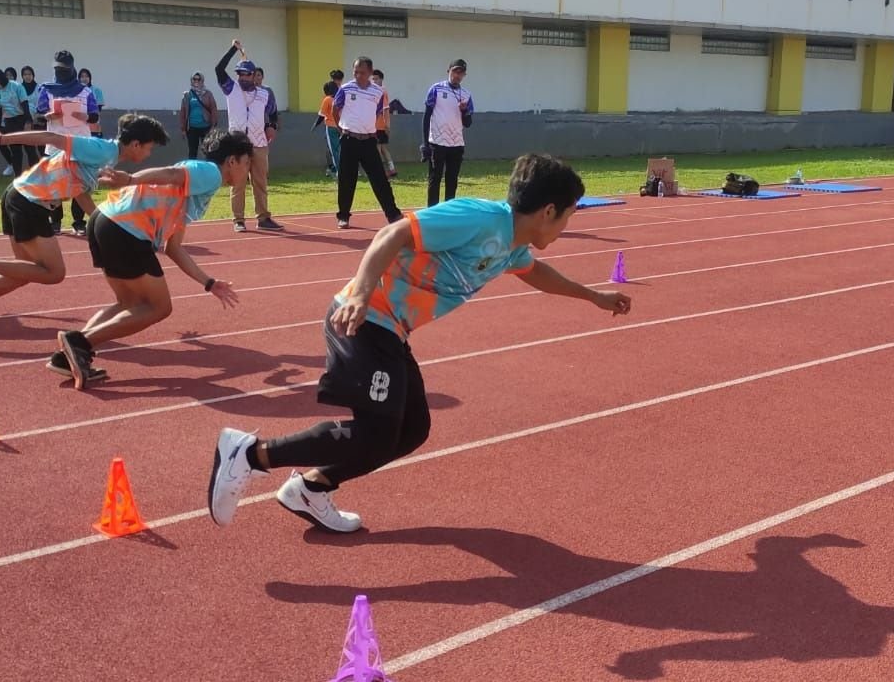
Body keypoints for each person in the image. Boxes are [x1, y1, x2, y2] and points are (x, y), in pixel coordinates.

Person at [207, 153, 632, 532]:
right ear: (548, 210)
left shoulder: (512, 246)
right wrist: (358, 293)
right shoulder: (480, 219)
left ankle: (311, 487)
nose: (568, 226)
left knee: (412, 430)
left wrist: (594, 296)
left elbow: (536, 272)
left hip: (392, 331)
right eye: (569, 216)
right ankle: (250, 454)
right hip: (362, 317)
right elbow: (390, 236)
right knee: (376, 432)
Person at [0, 114, 167, 336]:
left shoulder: (107, 157)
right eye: (149, 147)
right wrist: (0, 139)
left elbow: (80, 192)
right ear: (136, 144)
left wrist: (105, 226)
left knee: (23, 271)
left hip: (20, 196)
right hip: (30, 201)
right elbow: (52, 138)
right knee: (53, 273)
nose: (149, 153)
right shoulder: (102, 149)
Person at [53, 130, 248, 389]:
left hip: (105, 221)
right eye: (247, 163)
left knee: (130, 302)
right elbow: (171, 173)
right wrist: (130, 178)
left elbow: (173, 247)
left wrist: (209, 283)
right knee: (159, 307)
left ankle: (68, 356)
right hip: (126, 228)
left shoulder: (193, 191)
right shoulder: (210, 173)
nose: (248, 170)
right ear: (232, 161)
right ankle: (79, 344)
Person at [213, 39, 282, 232]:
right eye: (240, 74)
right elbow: (219, 69)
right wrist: (233, 50)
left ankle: (263, 218)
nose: (242, 77)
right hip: (237, 144)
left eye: (246, 74)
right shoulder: (231, 88)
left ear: (254, 75)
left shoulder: (264, 94)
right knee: (238, 183)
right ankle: (238, 220)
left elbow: (273, 112)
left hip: (259, 144)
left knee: (260, 182)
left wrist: (272, 126)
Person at [332, 56, 401, 230]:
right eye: (355, 72)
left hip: (369, 140)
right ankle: (343, 216)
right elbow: (335, 109)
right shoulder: (346, 89)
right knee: (347, 179)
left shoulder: (378, 92)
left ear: (370, 72)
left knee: (380, 179)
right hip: (349, 139)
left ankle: (393, 214)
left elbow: (378, 111)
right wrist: (342, 129)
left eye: (362, 72)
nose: (358, 75)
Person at [37, 50, 99, 235]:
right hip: (56, 143)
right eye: (58, 69)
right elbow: (38, 115)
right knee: (55, 183)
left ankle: (79, 222)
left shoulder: (85, 91)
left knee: (78, 183)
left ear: (72, 69)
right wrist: (49, 115)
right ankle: (55, 221)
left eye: (64, 69)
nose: (61, 72)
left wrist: (85, 115)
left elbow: (95, 115)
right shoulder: (46, 89)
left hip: (80, 142)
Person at [424, 59, 474, 207]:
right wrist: (425, 143)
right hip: (437, 143)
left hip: (456, 144)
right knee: (435, 179)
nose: (457, 75)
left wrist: (464, 110)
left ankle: (449, 211)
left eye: (461, 73)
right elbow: (426, 116)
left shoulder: (466, 95)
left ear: (464, 75)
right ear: (449, 71)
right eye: (455, 71)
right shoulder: (436, 89)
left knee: (452, 180)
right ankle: (432, 212)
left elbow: (468, 123)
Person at [0, 67, 37, 176]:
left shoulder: (16, 86)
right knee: (16, 151)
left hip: (22, 119)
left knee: (30, 150)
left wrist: (28, 122)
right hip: (10, 122)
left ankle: (36, 176)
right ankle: (17, 178)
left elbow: (25, 105)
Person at [180, 71, 218, 160]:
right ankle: (191, 171)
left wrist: (213, 126)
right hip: (192, 127)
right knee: (192, 152)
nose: (196, 81)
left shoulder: (208, 93)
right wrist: (183, 129)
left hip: (206, 127)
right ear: (191, 80)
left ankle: (207, 170)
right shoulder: (187, 94)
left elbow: (213, 109)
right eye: (194, 79)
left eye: (199, 79)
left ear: (202, 80)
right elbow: (183, 112)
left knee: (208, 151)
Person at [371, 68, 397, 179]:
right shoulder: (375, 91)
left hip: (379, 126)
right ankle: (391, 169)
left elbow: (386, 109)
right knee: (382, 148)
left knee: (377, 149)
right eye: (372, 79)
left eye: (376, 79)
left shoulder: (382, 91)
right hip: (376, 125)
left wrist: (387, 125)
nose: (374, 81)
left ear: (381, 79)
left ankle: (380, 171)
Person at [311, 80, 340, 177]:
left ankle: (339, 171)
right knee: (341, 149)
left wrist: (315, 125)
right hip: (341, 127)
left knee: (334, 150)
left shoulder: (327, 99)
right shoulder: (340, 98)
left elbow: (321, 116)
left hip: (331, 127)